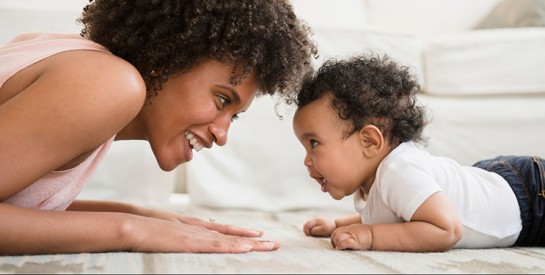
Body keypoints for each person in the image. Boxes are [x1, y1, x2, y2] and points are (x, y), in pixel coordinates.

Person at [0, 0, 317, 255]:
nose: (222, 135)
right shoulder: (108, 84)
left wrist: (138, 215)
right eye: (222, 100)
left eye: (233, 116)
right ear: (165, 59)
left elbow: (16, 202)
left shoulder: (83, 66)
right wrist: (131, 231)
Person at [292, 52, 545, 252]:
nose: (306, 161)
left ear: (369, 141)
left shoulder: (398, 171)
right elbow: (394, 217)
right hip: (497, 183)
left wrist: (370, 236)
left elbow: (447, 229)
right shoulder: (375, 180)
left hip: (531, 195)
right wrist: (337, 225)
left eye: (313, 143)